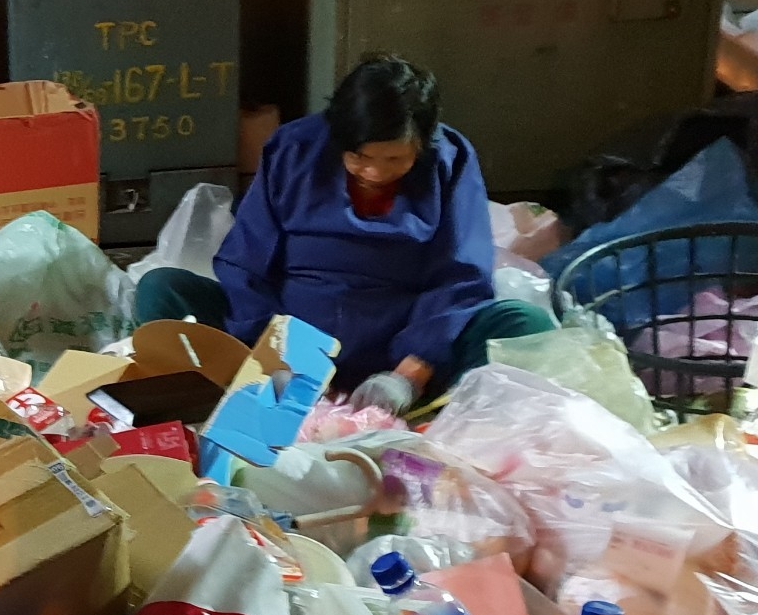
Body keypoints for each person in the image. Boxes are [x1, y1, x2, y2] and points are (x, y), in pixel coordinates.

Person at [135, 55, 556, 413]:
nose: (374, 172)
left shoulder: (451, 160)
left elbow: (460, 275)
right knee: (163, 289)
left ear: (424, 142)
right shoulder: (294, 148)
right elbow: (246, 260)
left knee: (523, 323)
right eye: (359, 157)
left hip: (399, 345)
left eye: (395, 159)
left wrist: (409, 374)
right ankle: (225, 403)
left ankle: (424, 415)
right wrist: (272, 353)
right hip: (287, 339)